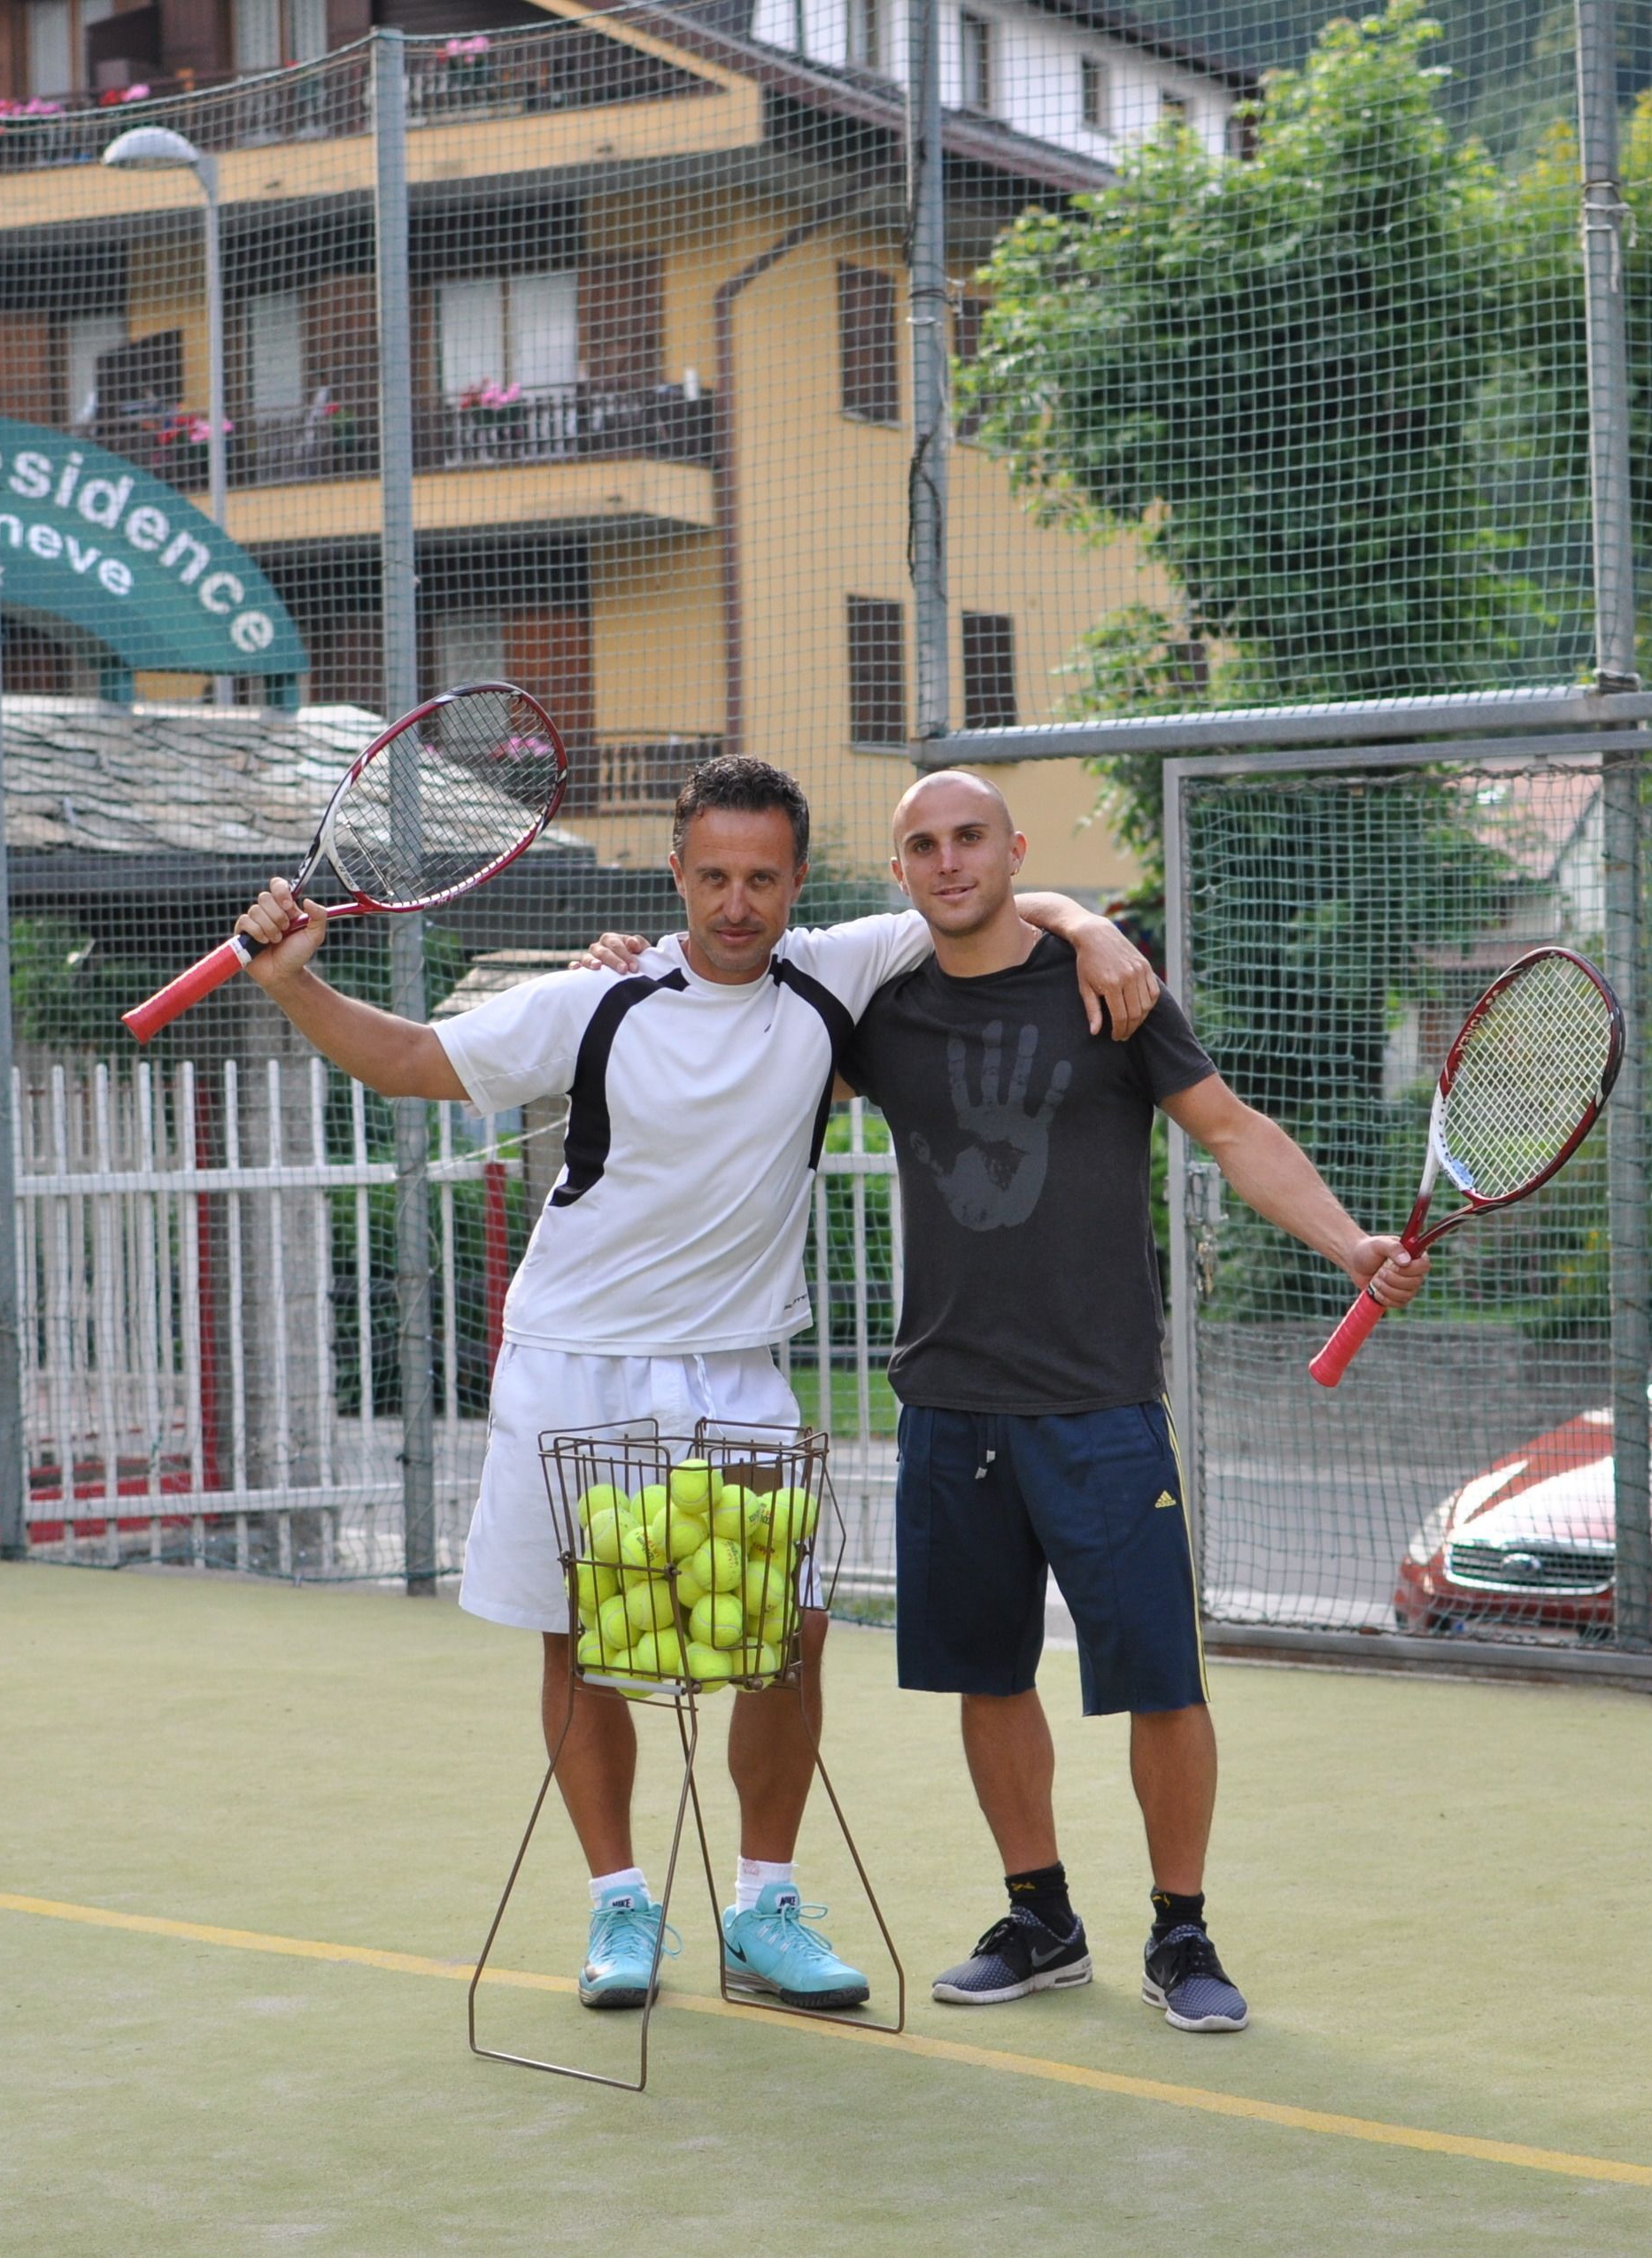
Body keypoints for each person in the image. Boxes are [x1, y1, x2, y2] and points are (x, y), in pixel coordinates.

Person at [227, 754, 1157, 2014]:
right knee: (587, 1644)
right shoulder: (594, 1000)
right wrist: (293, 981)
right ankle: (619, 1905)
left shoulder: (833, 973)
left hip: (734, 1370)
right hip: (574, 1361)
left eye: (762, 879)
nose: (736, 903)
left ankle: (762, 1906)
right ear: (675, 874)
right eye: (713, 876)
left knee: (788, 1638)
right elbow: (408, 1060)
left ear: (798, 881)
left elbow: (982, 893)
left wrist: (1091, 925)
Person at [588, 769, 1426, 2034]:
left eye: (970, 837)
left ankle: (1183, 1932)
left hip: (1099, 1399)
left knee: (1162, 1683)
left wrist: (1350, 1243)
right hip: (948, 1404)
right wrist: (630, 964)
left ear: (1014, 848)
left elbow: (1230, 1127)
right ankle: (1040, 1920)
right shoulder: (876, 1010)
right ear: (900, 871)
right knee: (990, 1676)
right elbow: (728, 1009)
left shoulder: (1111, 991)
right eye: (923, 845)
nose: (949, 861)